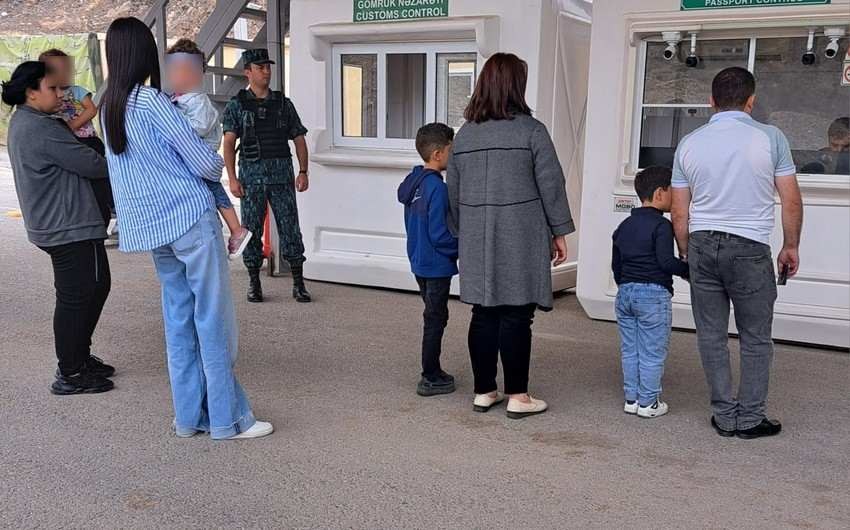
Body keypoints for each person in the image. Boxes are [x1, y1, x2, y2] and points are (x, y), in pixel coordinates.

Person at [99, 17, 272, 439]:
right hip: (189, 220)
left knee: (178, 322)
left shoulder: (108, 108)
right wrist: (210, 163)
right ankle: (228, 421)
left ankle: (189, 417)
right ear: (144, 55)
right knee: (213, 321)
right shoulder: (151, 101)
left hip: (154, 229)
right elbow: (206, 163)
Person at [671, 66, 803, 440]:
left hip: (701, 244)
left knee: (711, 334)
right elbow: (791, 200)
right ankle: (749, 419)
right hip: (749, 248)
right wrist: (790, 246)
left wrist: (686, 252)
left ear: (711, 102)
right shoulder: (771, 138)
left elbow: (680, 211)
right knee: (756, 336)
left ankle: (723, 414)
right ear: (751, 101)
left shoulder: (690, 143)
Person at [447, 53, 574, 419]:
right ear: (516, 85)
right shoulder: (531, 130)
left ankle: (484, 390)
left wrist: (463, 231)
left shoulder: (465, 135)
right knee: (518, 315)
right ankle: (518, 395)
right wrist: (559, 231)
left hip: (476, 235)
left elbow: (452, 191)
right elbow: (552, 184)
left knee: (483, 313)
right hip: (522, 231)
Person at [3, 61, 115, 395]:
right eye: (52, 88)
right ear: (31, 92)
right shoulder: (40, 128)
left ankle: (78, 357)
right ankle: (71, 371)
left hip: (59, 222)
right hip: (68, 224)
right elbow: (91, 163)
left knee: (92, 287)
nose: (60, 93)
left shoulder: (31, 120)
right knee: (78, 295)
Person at [221, 48, 311, 303]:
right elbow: (228, 143)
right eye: (260, 67)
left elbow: (299, 139)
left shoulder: (283, 103)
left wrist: (303, 171)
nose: (267, 71)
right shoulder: (237, 105)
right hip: (251, 178)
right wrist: (233, 179)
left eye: (268, 67)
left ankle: (298, 283)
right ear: (247, 72)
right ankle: (254, 283)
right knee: (251, 231)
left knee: (291, 229)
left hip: (282, 176)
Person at [612, 166, 689, 419]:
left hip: (625, 293)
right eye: (672, 192)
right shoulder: (662, 226)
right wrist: (689, 270)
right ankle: (649, 403)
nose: (676, 198)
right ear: (659, 193)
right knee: (652, 351)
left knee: (630, 349)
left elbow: (617, 265)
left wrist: (627, 284)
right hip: (653, 295)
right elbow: (666, 262)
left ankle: (631, 399)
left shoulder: (624, 226)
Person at [165, 39, 252, 259]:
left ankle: (236, 229)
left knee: (214, 189)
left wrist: (174, 130)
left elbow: (199, 127)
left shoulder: (197, 100)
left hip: (200, 155)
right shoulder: (176, 98)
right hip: (190, 158)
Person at [397, 123, 458, 397]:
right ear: (437, 154)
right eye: (450, 150)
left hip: (419, 262)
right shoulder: (438, 189)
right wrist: (462, 247)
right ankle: (430, 375)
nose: (452, 155)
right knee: (435, 318)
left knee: (434, 315)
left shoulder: (415, 183)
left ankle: (432, 370)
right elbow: (439, 234)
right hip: (436, 265)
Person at [38, 48, 115, 231]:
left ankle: (110, 210)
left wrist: (72, 126)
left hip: (87, 141)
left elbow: (91, 109)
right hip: (68, 144)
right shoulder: (47, 95)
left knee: (100, 182)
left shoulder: (77, 91)